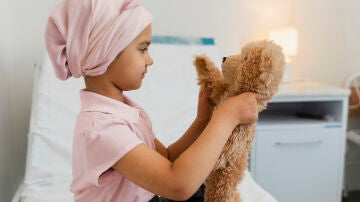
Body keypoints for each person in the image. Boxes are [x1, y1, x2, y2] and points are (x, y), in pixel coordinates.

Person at [45, 0, 268, 201]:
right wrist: (226, 116)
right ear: (105, 54)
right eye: (143, 49)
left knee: (204, 188)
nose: (150, 60)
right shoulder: (102, 128)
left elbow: (168, 159)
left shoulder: (125, 110)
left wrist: (203, 120)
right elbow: (177, 185)